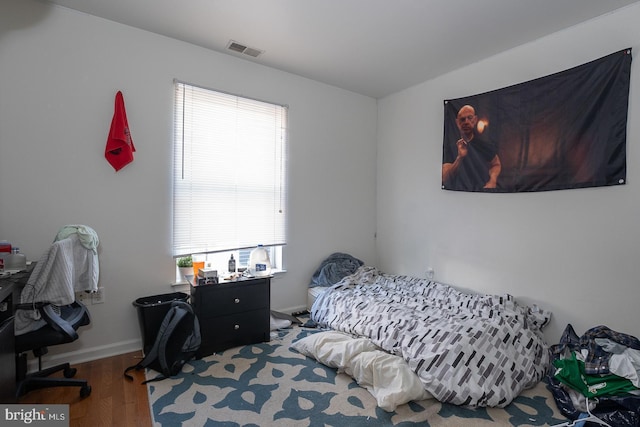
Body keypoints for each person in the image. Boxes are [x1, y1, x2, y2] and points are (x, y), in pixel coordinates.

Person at [442, 104, 501, 191]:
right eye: (462, 119)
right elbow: (445, 178)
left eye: (469, 118)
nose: (466, 122)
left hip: (481, 194)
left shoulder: (484, 145)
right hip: (456, 196)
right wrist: (459, 158)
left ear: (475, 120)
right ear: (457, 123)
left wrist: (492, 180)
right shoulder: (449, 147)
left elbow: (496, 164)